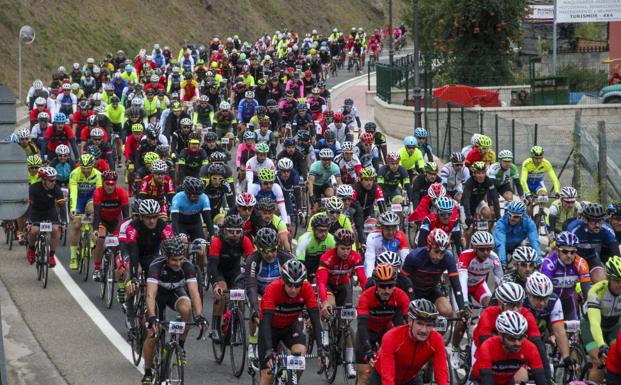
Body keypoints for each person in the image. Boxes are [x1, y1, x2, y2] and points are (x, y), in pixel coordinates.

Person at [140, 236, 207, 385]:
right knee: (153, 333)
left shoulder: (187, 266)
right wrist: (151, 317)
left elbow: (194, 292)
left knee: (186, 307)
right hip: (157, 296)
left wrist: (200, 316)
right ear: (166, 258)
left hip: (174, 293)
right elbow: (150, 294)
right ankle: (148, 371)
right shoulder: (156, 266)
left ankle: (180, 347)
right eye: (174, 260)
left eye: (180, 259)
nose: (178, 263)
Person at [258, 260, 326, 385]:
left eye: (297, 285)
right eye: (289, 285)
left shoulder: (307, 289)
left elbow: (316, 321)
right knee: (267, 376)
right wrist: (268, 350)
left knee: (300, 355)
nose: (293, 290)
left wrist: (322, 347)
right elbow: (266, 322)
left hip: (290, 326)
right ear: (283, 280)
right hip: (270, 329)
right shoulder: (273, 289)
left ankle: (291, 381)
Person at [473, 282, 551, 382]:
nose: (515, 310)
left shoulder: (526, 314)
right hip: (486, 349)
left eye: (518, 305)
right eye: (510, 305)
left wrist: (548, 378)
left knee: (521, 377)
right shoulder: (488, 314)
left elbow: (538, 346)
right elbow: (486, 346)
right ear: (500, 304)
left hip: (512, 351)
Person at [317, 229, 366, 378]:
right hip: (329, 287)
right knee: (330, 307)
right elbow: (321, 282)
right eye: (342, 248)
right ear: (336, 246)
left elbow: (363, 279)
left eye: (348, 248)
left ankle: (350, 364)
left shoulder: (355, 257)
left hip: (344, 286)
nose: (345, 252)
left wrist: (368, 296)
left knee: (346, 326)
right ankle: (325, 335)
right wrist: (324, 302)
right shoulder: (327, 257)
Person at [370, 299, 448, 385]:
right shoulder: (391, 337)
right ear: (410, 321)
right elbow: (388, 379)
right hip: (382, 378)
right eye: (420, 323)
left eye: (429, 325)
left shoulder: (437, 340)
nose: (424, 330)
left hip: (410, 379)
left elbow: (442, 375)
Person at [355, 263, 410, 385]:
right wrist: (368, 349)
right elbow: (362, 325)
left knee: (393, 372)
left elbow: (410, 323)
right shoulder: (366, 297)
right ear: (376, 285)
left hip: (386, 331)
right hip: (367, 332)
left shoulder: (400, 295)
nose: (386, 290)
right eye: (382, 286)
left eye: (390, 286)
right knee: (365, 375)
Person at [245, 227, 292, 359]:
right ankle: (252, 342)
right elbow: (251, 286)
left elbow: (293, 280)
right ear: (259, 249)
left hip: (277, 292)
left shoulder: (284, 257)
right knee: (256, 312)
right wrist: (255, 307)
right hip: (258, 291)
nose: (270, 254)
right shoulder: (253, 260)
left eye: (273, 250)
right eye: (266, 251)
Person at [207, 214, 254, 342]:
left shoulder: (245, 240)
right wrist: (215, 284)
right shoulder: (217, 241)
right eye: (230, 231)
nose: (234, 234)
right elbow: (212, 266)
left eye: (237, 232)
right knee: (222, 294)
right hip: (219, 271)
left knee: (239, 297)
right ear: (224, 231)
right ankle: (215, 328)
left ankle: (237, 328)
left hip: (235, 272)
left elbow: (253, 262)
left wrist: (252, 282)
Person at [402, 229, 466, 317]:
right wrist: (411, 299)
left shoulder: (448, 258)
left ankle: (437, 329)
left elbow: (456, 285)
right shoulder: (414, 257)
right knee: (415, 313)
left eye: (442, 253)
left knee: (447, 311)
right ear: (428, 247)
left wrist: (462, 309)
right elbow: (403, 280)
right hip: (413, 291)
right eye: (436, 252)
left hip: (431, 291)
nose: (439, 257)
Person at [471, 311, 546, 385]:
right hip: (481, 380)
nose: (517, 343)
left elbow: (540, 377)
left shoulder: (530, 348)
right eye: (511, 338)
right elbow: (486, 380)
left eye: (520, 338)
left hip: (506, 381)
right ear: (500, 335)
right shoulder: (488, 346)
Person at [523, 272, 574, 371]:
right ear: (528, 294)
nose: (542, 303)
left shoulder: (554, 300)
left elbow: (559, 331)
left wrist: (566, 357)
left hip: (539, 338)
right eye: (538, 298)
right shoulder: (520, 301)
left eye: (545, 298)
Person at [582, 255, 621, 383]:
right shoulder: (596, 291)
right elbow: (594, 323)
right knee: (598, 361)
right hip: (591, 325)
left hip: (614, 324)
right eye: (616, 280)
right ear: (609, 278)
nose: (619, 285)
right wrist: (601, 345)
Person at [541, 231, 591, 320]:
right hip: (549, 301)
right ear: (557, 250)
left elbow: (587, 292)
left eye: (573, 252)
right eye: (565, 251)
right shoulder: (549, 263)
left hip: (567, 301)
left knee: (574, 330)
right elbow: (544, 291)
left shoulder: (580, 263)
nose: (569, 256)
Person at [91, 171, 129, 281]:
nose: (109, 187)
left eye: (112, 184)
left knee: (120, 242)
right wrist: (94, 230)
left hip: (116, 221)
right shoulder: (98, 192)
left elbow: (126, 216)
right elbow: (97, 214)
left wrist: (127, 232)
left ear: (116, 184)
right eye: (107, 184)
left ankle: (118, 264)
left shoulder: (122, 193)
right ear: (103, 183)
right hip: (102, 221)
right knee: (101, 238)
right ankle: (97, 268)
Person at [568, 202, 620, 283]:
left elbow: (615, 254)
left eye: (600, 221)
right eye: (593, 222)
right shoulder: (574, 229)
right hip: (574, 257)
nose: (597, 225)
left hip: (592, 257)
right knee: (573, 282)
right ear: (585, 220)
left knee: (601, 281)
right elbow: (566, 251)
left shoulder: (607, 230)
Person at [26, 167, 66, 267]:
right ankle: (31, 249)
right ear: (43, 180)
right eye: (51, 180)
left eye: (55, 180)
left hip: (49, 212)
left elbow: (62, 206)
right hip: (36, 212)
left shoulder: (56, 189)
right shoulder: (34, 188)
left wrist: (64, 221)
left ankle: (51, 255)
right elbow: (29, 205)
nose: (54, 182)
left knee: (56, 229)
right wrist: (29, 221)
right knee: (33, 230)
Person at [68, 154, 102, 270]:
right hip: (78, 198)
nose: (86, 171)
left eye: (88, 168)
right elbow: (73, 192)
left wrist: (98, 211)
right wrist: (72, 209)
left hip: (90, 197)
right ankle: (73, 256)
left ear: (92, 166)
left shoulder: (98, 175)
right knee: (76, 224)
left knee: (92, 209)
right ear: (80, 166)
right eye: (84, 168)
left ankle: (91, 236)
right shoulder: (74, 174)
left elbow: (99, 194)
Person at [493, 201, 541, 267]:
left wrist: (539, 261)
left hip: (516, 245)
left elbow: (534, 242)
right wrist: (503, 262)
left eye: (516, 216)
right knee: (500, 267)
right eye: (510, 215)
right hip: (500, 246)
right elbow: (501, 244)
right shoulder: (501, 223)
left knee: (525, 264)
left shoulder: (529, 223)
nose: (511, 218)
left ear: (522, 216)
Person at [364, 212, 409, 277]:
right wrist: (369, 279)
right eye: (388, 228)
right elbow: (370, 261)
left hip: (394, 268)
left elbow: (405, 260)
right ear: (382, 227)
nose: (391, 232)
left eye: (394, 228)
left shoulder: (401, 237)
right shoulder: (372, 237)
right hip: (377, 267)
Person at [296, 214, 336, 282]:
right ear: (313, 229)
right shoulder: (304, 239)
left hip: (322, 266)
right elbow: (300, 262)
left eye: (326, 231)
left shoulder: (332, 240)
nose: (324, 234)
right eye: (320, 230)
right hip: (308, 266)